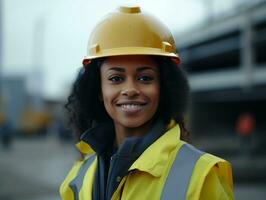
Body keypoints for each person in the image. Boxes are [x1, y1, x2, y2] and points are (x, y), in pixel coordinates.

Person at [60, 6, 234, 200]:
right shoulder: (78, 177)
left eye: (145, 78)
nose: (130, 89)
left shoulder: (202, 176)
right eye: (116, 78)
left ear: (163, 87)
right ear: (99, 90)